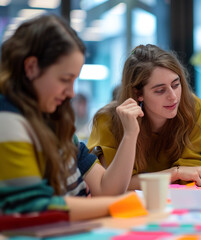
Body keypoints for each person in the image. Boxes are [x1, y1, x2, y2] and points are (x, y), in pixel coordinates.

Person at [0, 15, 141, 221]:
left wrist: (131, 133)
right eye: (65, 79)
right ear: (31, 68)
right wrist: (123, 205)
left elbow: (105, 188)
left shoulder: (53, 120)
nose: (72, 92)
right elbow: (33, 209)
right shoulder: (7, 120)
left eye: (74, 80)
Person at [87, 44, 201, 189]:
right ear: (138, 94)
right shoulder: (107, 120)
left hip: (174, 203)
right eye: (160, 90)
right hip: (128, 206)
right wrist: (174, 173)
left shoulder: (193, 108)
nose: (173, 97)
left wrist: (179, 174)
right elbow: (112, 185)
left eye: (175, 85)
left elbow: (191, 173)